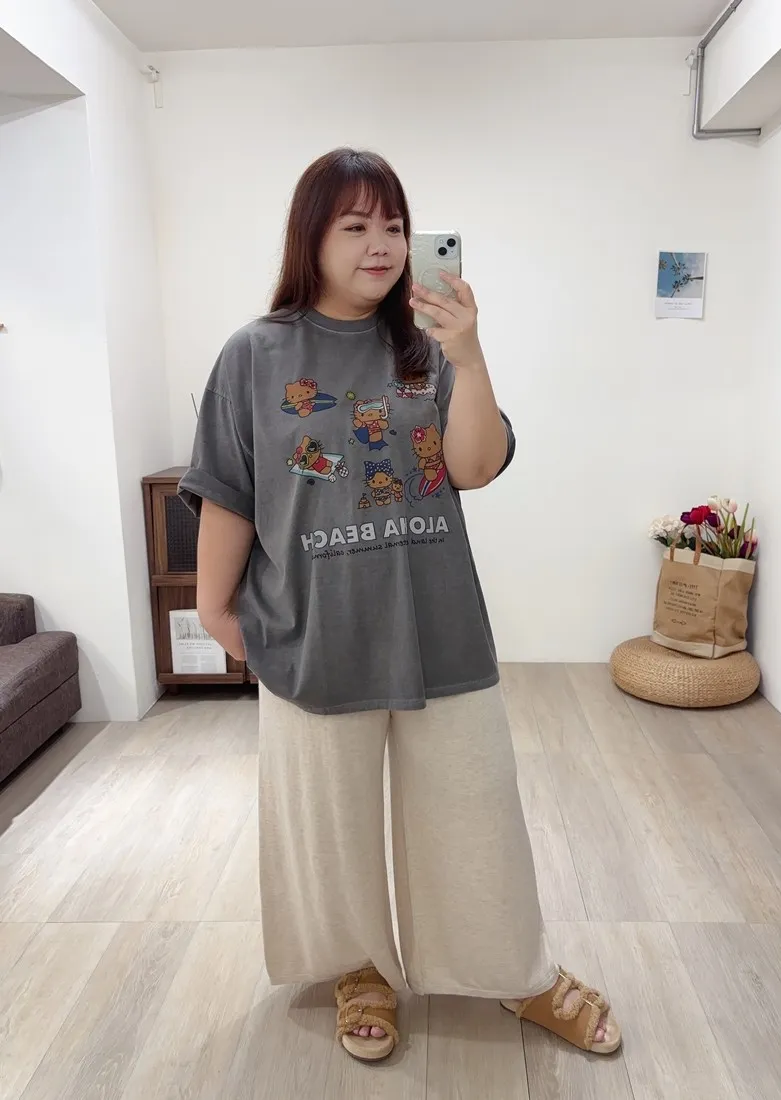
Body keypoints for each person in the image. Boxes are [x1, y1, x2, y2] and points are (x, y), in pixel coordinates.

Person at [179, 148, 621, 1063]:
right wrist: (218, 614)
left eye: (393, 225)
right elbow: (228, 490)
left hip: (438, 624)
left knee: (475, 812)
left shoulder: (426, 344)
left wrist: (469, 351)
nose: (379, 244)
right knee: (328, 826)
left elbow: (475, 467)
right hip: (311, 629)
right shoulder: (255, 353)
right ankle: (358, 968)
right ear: (311, 237)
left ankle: (515, 971)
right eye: (355, 225)